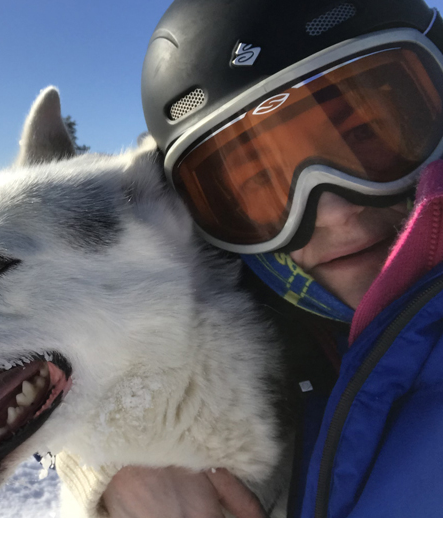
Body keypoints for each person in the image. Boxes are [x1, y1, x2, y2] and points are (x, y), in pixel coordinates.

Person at [56, 0, 443, 517]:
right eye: (262, 183)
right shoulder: (277, 319)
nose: (332, 211)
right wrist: (121, 461)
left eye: (366, 137)